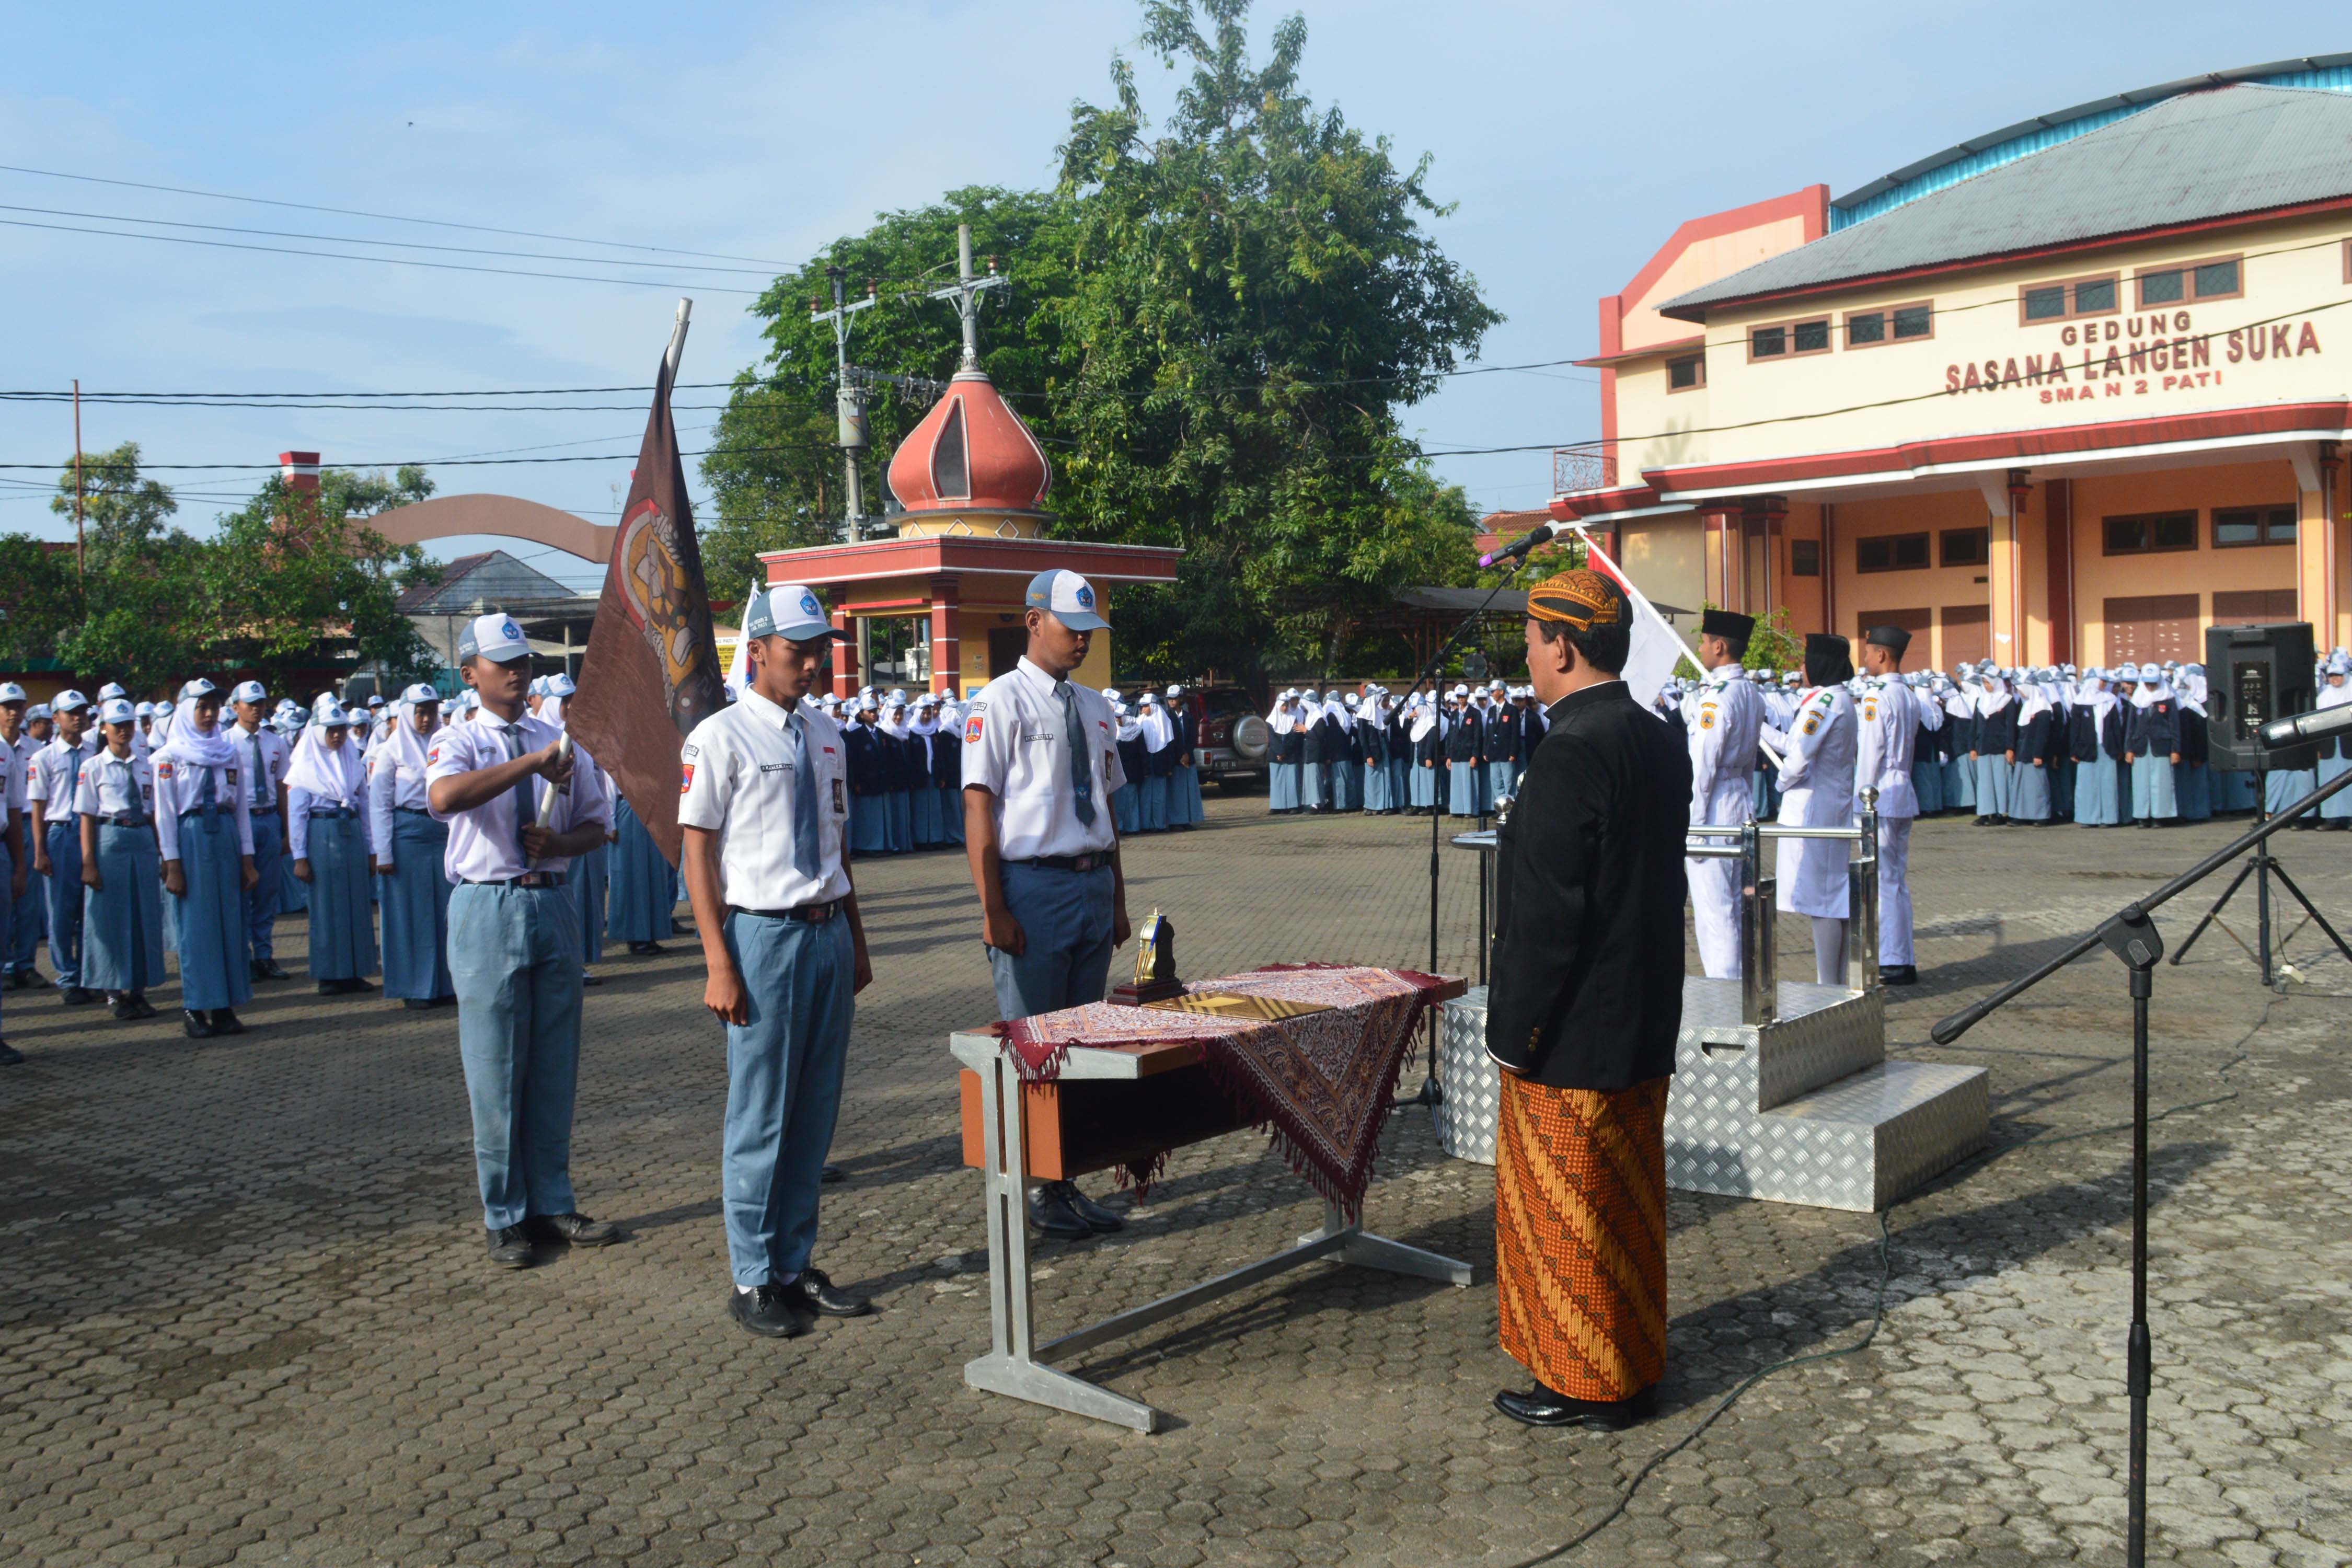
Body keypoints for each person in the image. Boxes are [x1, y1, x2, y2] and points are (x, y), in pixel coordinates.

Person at [1484, 567, 1689, 1431]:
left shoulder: (1570, 749)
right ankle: (1633, 1366)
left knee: (1568, 1216)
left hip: (1571, 1032)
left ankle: (1583, 1384)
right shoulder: (1653, 734)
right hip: (1641, 1015)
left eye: (1531, 644)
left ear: (1562, 647)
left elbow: (1545, 918)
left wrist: (1510, 1035)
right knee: (1629, 1210)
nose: (1527, 660)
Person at [678, 584, 877, 1338]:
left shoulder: (826, 734)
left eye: (821, 650)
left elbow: (837, 845)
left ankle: (794, 1264)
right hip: (761, 937)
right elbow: (697, 853)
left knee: (815, 1110)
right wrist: (717, 960)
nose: (814, 665)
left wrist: (856, 936)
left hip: (825, 933)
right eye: (799, 652)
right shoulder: (720, 737)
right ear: (757, 651)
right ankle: (753, 1276)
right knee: (760, 1114)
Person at [425, 613, 620, 1269]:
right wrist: (528, 766)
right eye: (502, 662)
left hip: (552, 901)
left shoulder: (561, 740)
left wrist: (561, 843)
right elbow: (446, 798)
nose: (516, 672)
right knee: (494, 1068)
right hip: (488, 906)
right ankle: (503, 1214)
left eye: (523, 661)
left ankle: (551, 1200)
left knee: (553, 1064)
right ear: (470, 673)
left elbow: (597, 823)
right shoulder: (462, 739)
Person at [961, 569, 1134, 1242]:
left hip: (1090, 882)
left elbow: (1110, 807)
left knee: (1079, 1043)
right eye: (1071, 628)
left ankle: (1064, 1181)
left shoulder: (1094, 706)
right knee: (1033, 1042)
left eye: (1090, 630)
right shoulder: (997, 703)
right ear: (1034, 621)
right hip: (1031, 885)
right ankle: (1033, 1186)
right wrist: (993, 907)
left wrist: (1118, 898)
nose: (1083, 640)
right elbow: (979, 807)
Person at [1775, 635, 1859, 987]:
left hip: (1815, 811)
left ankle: (1829, 984)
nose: (1801, 668)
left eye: (1806, 661)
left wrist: (1781, 783)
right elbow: (1795, 743)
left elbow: (1798, 758)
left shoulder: (1824, 702)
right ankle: (1834, 982)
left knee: (1822, 901)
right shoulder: (1837, 699)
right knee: (1830, 898)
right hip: (1829, 807)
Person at [75, 698, 165, 1023]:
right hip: (109, 839)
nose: (124, 731)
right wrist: (88, 861)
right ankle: (114, 992)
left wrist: (163, 852)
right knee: (110, 916)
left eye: (129, 725)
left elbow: (155, 812)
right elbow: (86, 816)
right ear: (104, 729)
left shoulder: (146, 765)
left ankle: (139, 990)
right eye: (118, 726)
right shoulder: (92, 767)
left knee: (143, 914)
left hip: (141, 838)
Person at [1684, 610, 1761, 981]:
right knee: (1736, 910)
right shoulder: (1749, 692)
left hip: (1713, 808)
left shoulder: (1716, 700)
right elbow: (1748, 762)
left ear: (1719, 646)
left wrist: (1694, 827)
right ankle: (1740, 987)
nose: (1700, 647)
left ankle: (1726, 998)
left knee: (1717, 916)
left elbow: (1702, 770)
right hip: (1739, 800)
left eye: (1703, 641)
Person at [370, 685, 457, 1008]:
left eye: (431, 711)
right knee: (411, 914)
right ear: (406, 714)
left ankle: (446, 984)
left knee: (445, 911)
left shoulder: (445, 744)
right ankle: (415, 987)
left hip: (441, 831)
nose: (425, 718)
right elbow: (379, 805)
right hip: (406, 834)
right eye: (419, 712)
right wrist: (384, 852)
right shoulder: (389, 751)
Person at [289, 697, 379, 995]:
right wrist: (300, 855)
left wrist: (371, 848)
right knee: (327, 905)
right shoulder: (305, 766)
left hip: (350, 830)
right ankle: (330, 974)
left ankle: (354, 970)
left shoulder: (351, 760)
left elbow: (364, 805)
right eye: (331, 730)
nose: (337, 735)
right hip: (322, 830)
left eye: (341, 729)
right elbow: (297, 814)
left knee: (355, 903)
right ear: (317, 732)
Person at [1856, 628, 1921, 986]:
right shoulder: (1908, 695)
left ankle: (1893, 959)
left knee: (1882, 881)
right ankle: (1902, 957)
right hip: (1902, 790)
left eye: (1868, 653)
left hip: (1880, 792)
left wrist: (1861, 801)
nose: (1865, 660)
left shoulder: (1877, 697)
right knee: (1895, 879)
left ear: (1882, 655)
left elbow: (1870, 754)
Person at [28, 691, 98, 1006]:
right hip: (61, 834)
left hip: (91, 832)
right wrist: (40, 851)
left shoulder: (94, 754)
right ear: (55, 718)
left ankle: (88, 973)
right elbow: (39, 809)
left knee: (90, 909)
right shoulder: (44, 758)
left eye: (82, 711)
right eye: (70, 712)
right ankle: (67, 977)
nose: (77, 717)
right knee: (61, 911)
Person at [223, 681, 293, 982]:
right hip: (241, 819)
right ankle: (241, 956)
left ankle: (264, 955)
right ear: (235, 706)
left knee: (267, 892)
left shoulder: (275, 742)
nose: (256, 708)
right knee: (241, 891)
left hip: (268, 820)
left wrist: (288, 830)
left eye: (261, 702)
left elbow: (282, 788)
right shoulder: (224, 742)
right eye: (250, 703)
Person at [1, 685, 43, 988]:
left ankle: (26, 964)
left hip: (25, 823)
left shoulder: (36, 750)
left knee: (26, 896)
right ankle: (5, 966)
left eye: (18, 706)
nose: (13, 712)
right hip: (7, 824)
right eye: (7, 707)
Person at [1166, 685, 1204, 827]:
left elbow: (1193, 737)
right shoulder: (1167, 716)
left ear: (1181, 699)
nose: (1172, 701)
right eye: (1170, 699)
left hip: (1188, 759)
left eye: (1174, 699)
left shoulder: (1188, 717)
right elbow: (1170, 739)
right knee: (1176, 792)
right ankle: (1176, 821)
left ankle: (1187, 819)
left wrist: (1187, 753)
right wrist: (1180, 756)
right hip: (1176, 761)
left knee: (1189, 792)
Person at [1266, 690, 1305, 813]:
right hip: (1275, 755)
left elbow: (1295, 737)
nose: (1285, 708)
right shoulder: (1270, 721)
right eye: (1283, 705)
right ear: (1278, 706)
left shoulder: (1293, 719)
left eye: (1287, 705)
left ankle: (1293, 806)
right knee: (1277, 781)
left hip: (1290, 754)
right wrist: (1279, 752)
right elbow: (1272, 739)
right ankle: (1277, 806)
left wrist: (1285, 752)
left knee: (1291, 780)